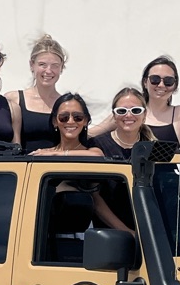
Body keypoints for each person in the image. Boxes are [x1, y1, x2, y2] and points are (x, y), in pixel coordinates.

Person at [32, 94, 130, 232]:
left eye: (78, 117)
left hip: (81, 236)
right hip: (42, 237)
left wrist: (128, 232)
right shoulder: (42, 154)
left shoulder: (91, 151)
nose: (71, 122)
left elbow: (97, 157)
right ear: (55, 121)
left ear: (86, 121)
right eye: (64, 117)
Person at [4, 34, 67, 152]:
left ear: (61, 67)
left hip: (55, 169)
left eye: (55, 66)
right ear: (32, 65)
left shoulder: (66, 104)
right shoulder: (13, 99)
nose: (48, 71)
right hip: (23, 168)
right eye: (42, 64)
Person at [91, 87, 156, 160]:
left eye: (136, 110)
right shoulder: (98, 144)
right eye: (122, 111)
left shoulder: (154, 148)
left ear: (144, 114)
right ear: (114, 115)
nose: (128, 115)